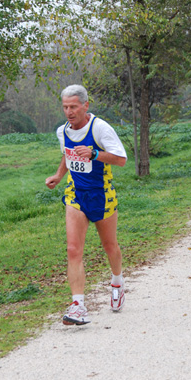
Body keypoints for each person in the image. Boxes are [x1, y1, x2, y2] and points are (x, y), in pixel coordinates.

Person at [45, 84, 127, 325]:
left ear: (85, 105)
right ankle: (78, 305)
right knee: (73, 249)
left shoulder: (100, 128)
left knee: (110, 246)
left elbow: (121, 159)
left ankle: (117, 282)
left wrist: (94, 154)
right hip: (76, 195)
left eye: (73, 107)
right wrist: (59, 176)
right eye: (65, 107)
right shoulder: (63, 131)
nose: (69, 112)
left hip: (101, 195)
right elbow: (67, 153)